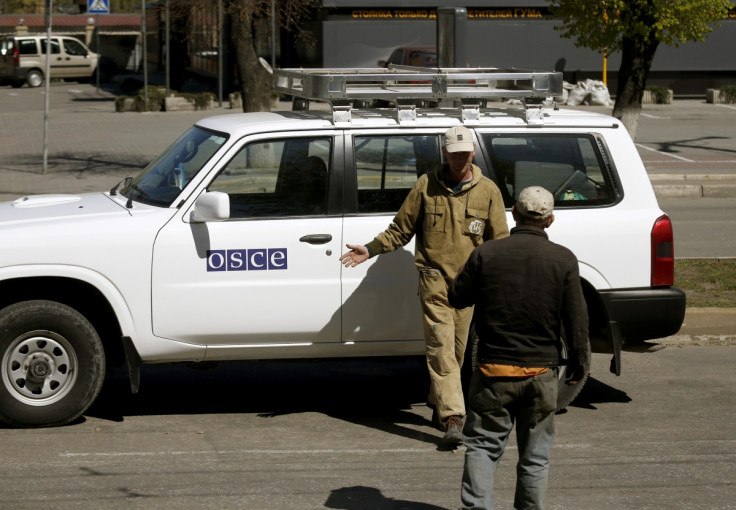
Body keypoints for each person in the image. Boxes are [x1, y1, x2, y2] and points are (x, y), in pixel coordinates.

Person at [339, 126, 509, 446]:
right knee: (440, 348)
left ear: (473, 152)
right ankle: (453, 418)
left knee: (456, 353)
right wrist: (369, 249)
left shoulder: (488, 192)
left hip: (468, 286)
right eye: (454, 153)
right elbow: (400, 230)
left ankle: (437, 400)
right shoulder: (426, 186)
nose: (460, 158)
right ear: (444, 152)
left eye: (465, 153)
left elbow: (499, 244)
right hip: (433, 281)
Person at [448, 186, 590, 509]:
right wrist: (579, 361)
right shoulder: (564, 260)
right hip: (542, 374)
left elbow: (457, 297)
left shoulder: (487, 254)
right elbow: (577, 319)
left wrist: (461, 272)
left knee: (483, 447)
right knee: (535, 457)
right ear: (550, 220)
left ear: (514, 212)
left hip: (492, 372)